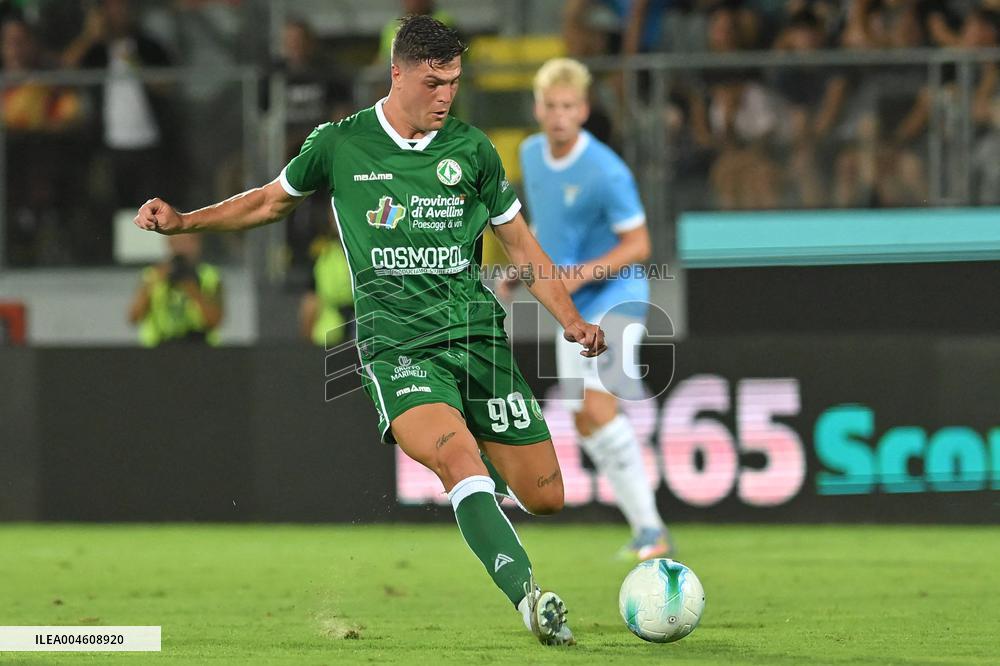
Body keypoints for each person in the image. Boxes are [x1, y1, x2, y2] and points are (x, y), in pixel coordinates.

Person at [133, 15, 604, 647]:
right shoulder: (341, 144)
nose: (445, 96)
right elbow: (271, 201)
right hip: (398, 346)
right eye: (433, 82)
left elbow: (520, 244)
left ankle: (482, 463)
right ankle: (530, 597)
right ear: (398, 73)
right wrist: (185, 222)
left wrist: (571, 320)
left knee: (547, 497)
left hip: (478, 339)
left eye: (454, 82)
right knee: (458, 461)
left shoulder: (472, 150)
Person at [510, 57, 673, 562]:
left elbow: (640, 243)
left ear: (583, 110)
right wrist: (523, 265)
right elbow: (545, 225)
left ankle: (654, 532)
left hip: (616, 298)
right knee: (584, 421)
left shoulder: (606, 169)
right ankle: (645, 529)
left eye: (568, 106)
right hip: (571, 307)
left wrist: (581, 272)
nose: (558, 115)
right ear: (538, 107)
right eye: (550, 105)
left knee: (600, 411)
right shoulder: (531, 154)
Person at [127, 234, 224, 347]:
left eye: (188, 242)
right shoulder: (153, 275)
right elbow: (134, 317)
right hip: (158, 348)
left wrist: (192, 289)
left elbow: (215, 320)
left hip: (200, 348)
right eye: (177, 242)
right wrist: (153, 283)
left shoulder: (209, 277)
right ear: (169, 244)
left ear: (199, 244)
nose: (183, 248)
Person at [299, 233, 354, 346]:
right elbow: (311, 301)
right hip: (330, 337)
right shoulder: (325, 256)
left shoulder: (326, 256)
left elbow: (310, 302)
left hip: (332, 336)